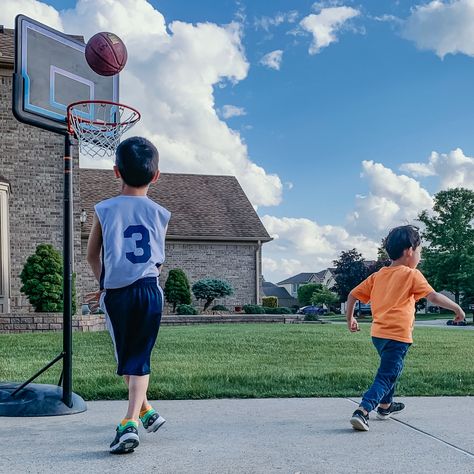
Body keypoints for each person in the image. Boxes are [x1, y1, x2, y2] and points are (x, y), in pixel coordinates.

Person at [86, 136, 171, 453]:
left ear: (115, 171)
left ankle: (129, 423)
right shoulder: (161, 214)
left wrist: (105, 285)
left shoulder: (104, 209)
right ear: (156, 175)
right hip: (149, 291)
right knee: (134, 359)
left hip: (118, 294)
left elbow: (92, 256)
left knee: (130, 358)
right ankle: (145, 411)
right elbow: (156, 257)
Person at [347, 225, 465, 431]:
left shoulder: (378, 275)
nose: (419, 257)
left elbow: (352, 295)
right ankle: (363, 410)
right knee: (387, 374)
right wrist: (458, 309)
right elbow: (434, 297)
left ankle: (385, 406)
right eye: (420, 252)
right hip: (397, 336)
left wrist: (351, 319)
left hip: (379, 335)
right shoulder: (412, 274)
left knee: (390, 369)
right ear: (410, 250)